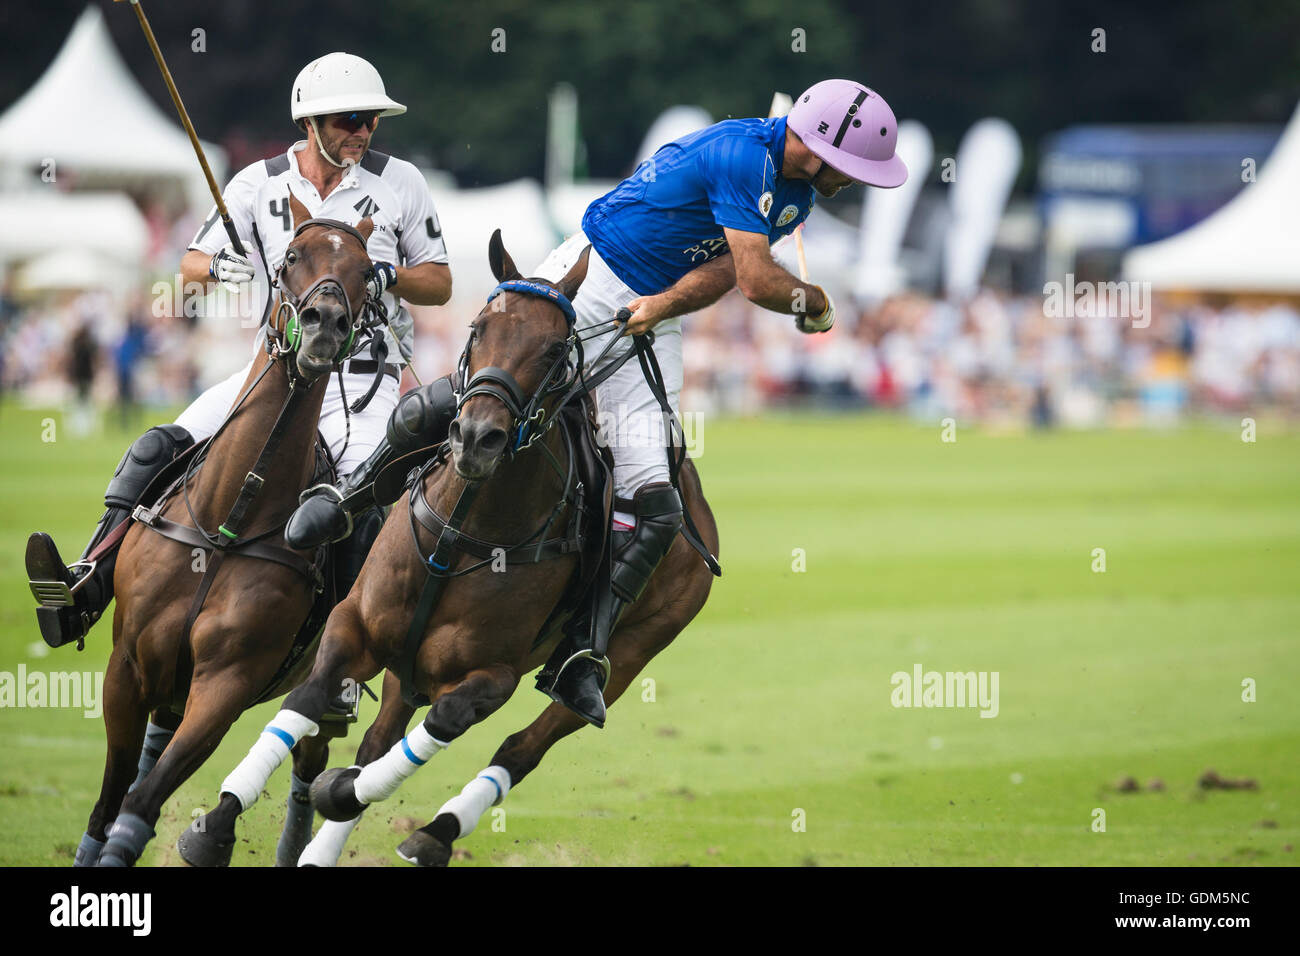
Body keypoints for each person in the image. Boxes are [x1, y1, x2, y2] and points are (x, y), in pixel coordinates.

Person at [292, 77, 909, 728]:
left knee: (660, 505)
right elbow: (758, 282)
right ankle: (347, 499)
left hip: (652, 310)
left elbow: (728, 270)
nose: (860, 181)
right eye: (854, 168)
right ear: (816, 148)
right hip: (592, 277)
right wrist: (812, 300)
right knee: (478, 403)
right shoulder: (741, 157)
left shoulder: (795, 192)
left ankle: (583, 652)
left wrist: (663, 306)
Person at [25, 51, 452, 652]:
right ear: (310, 122)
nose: (361, 131)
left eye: (371, 120)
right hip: (273, 369)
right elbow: (189, 266)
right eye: (348, 119)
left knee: (355, 495)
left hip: (362, 379)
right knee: (160, 446)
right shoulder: (258, 183)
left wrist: (385, 276)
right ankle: (88, 583)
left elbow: (439, 280)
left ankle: (344, 651)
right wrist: (220, 265)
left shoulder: (401, 181)